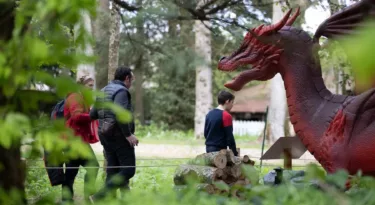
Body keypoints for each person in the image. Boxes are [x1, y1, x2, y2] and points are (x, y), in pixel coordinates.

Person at [89, 66, 138, 201]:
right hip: (119, 137)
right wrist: (128, 135)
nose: (132, 82)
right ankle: (99, 197)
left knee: (113, 171)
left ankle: (113, 201)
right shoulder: (122, 91)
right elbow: (120, 114)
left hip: (105, 136)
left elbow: (92, 114)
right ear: (126, 78)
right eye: (132, 79)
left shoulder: (103, 90)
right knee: (128, 170)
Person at [62, 76, 99, 202]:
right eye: (90, 85)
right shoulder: (75, 97)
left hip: (78, 140)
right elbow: (76, 117)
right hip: (73, 141)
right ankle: (72, 199)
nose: (92, 88)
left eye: (93, 85)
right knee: (89, 167)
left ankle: (73, 199)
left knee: (72, 171)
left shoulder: (82, 97)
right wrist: (92, 115)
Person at [204, 90, 238, 156]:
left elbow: (206, 133)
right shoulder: (226, 115)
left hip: (208, 149)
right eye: (232, 102)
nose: (232, 105)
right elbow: (230, 137)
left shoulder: (209, 114)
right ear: (227, 101)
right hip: (220, 151)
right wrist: (235, 153)